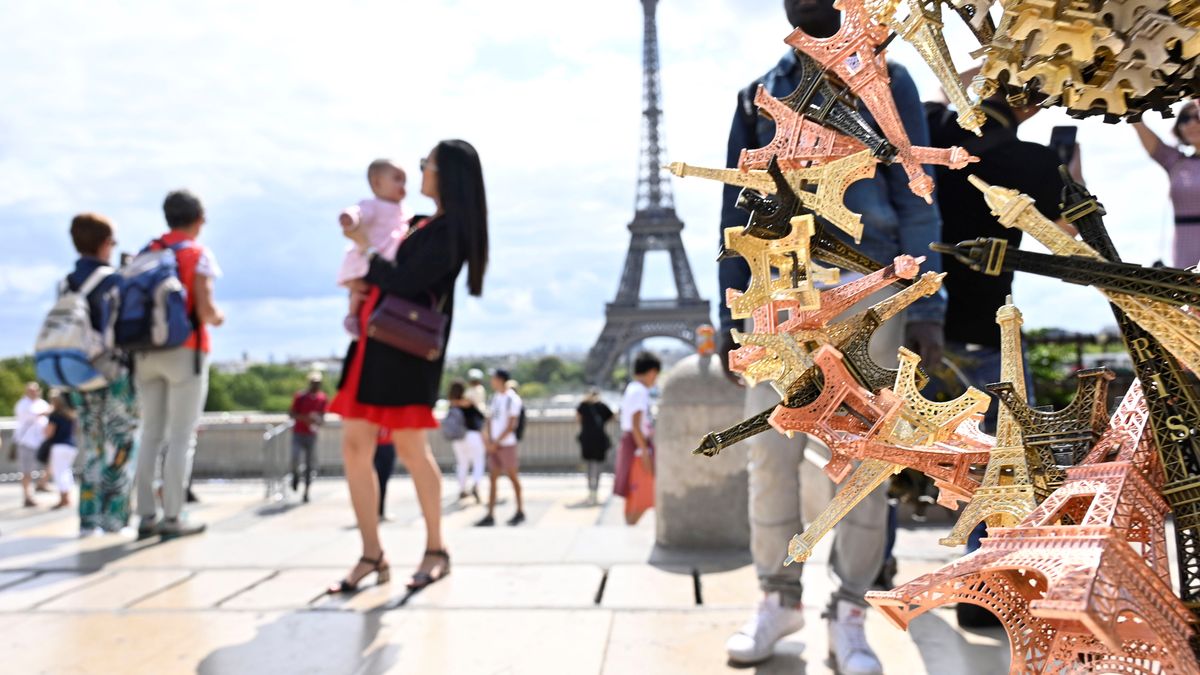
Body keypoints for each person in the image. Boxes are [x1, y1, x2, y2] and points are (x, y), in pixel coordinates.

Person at [718, 2, 946, 671]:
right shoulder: (755, 96)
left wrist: (928, 301)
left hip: (872, 287)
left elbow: (916, 194)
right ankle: (778, 595)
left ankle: (849, 606)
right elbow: (735, 206)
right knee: (770, 458)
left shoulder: (890, 81)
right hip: (777, 291)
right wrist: (729, 313)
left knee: (866, 459)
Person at [331, 139, 488, 593]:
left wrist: (365, 246)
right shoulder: (421, 224)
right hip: (374, 345)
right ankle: (371, 553)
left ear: (446, 175)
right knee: (355, 449)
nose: (420, 170)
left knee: (411, 451)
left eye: (426, 165)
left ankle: (435, 547)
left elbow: (401, 280)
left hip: (403, 353)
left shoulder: (450, 231)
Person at [134, 190, 224, 540]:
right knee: (181, 437)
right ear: (198, 220)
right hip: (185, 351)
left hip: (144, 351)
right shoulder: (197, 255)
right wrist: (219, 318)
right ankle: (174, 515)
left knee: (151, 434)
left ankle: (145, 515)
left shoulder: (148, 252)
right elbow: (205, 310)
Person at [66, 213, 141, 535]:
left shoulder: (66, 282)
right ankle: (114, 517)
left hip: (78, 374)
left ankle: (87, 516)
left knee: (91, 445)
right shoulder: (113, 280)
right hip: (111, 373)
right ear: (105, 243)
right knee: (122, 444)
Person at [337, 159, 411, 336]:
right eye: (397, 179)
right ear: (377, 183)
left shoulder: (404, 210)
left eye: (404, 181)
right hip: (367, 256)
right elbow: (358, 213)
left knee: (365, 289)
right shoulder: (372, 205)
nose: (402, 185)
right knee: (359, 288)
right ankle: (352, 316)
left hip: (383, 256)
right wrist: (350, 219)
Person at [1133, 100, 1200, 268]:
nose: (1191, 123)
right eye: (1184, 119)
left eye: (1197, 117)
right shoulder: (1176, 162)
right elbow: (1134, 119)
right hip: (1186, 249)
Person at [613, 352, 659, 525]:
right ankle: (630, 529)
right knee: (644, 494)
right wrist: (646, 453)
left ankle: (629, 528)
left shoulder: (632, 389)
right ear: (652, 372)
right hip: (638, 447)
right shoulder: (639, 391)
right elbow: (636, 424)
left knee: (636, 495)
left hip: (633, 445)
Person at [477, 369, 525, 526]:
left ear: (500, 379)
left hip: (506, 445)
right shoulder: (496, 398)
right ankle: (490, 514)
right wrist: (488, 440)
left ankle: (520, 510)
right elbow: (490, 420)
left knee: (512, 477)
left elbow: (511, 425)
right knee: (493, 478)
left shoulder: (512, 399)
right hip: (495, 445)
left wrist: (495, 442)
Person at [288, 372, 329, 503]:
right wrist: (305, 419)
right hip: (299, 433)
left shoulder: (322, 398)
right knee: (295, 458)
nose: (316, 385)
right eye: (314, 382)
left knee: (309, 465)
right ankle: (295, 476)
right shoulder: (300, 396)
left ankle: (306, 492)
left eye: (318, 383)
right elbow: (292, 413)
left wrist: (316, 420)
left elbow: (323, 417)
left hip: (312, 435)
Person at [12, 382, 51, 507]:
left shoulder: (42, 403)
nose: (33, 392)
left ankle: (42, 483)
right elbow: (31, 416)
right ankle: (27, 496)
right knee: (26, 470)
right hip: (27, 441)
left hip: (42, 440)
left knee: (51, 464)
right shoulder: (22, 404)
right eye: (30, 390)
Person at [447, 380, 485, 502]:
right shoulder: (468, 402)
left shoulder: (451, 404)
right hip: (472, 435)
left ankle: (462, 489)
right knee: (478, 462)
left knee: (462, 464)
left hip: (458, 438)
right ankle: (476, 485)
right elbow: (481, 416)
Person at [576, 389, 614, 506]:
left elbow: (579, 419)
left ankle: (591, 491)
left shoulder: (583, 406)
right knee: (598, 468)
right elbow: (611, 416)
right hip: (599, 440)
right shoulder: (602, 406)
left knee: (588, 467)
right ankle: (595, 491)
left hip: (587, 439)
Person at [43, 390, 78, 510]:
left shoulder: (55, 415)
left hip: (59, 446)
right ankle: (67, 497)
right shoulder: (71, 415)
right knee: (67, 471)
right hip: (71, 446)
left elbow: (49, 433)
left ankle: (64, 498)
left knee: (60, 473)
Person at [374, 427, 395, 519]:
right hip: (374, 446)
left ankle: (380, 512)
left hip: (387, 445)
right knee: (371, 482)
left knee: (382, 482)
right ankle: (371, 513)